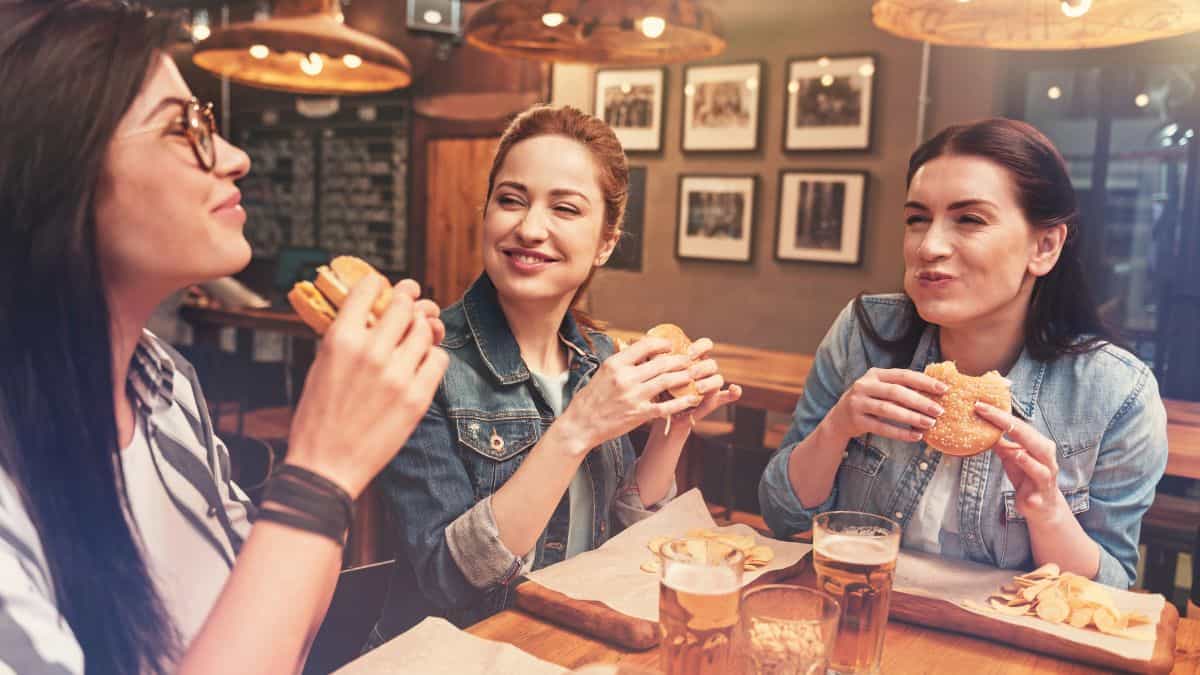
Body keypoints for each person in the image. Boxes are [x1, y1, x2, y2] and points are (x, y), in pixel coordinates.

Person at [0, 2, 447, 672]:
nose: (237, 157)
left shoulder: (164, 386)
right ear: (57, 179)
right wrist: (318, 474)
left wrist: (352, 450)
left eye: (207, 122)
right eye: (182, 129)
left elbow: (277, 626)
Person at [371, 105, 743, 640]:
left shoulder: (598, 355)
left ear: (606, 243)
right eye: (510, 200)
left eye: (564, 209)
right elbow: (448, 577)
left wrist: (673, 425)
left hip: (572, 647)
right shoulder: (419, 359)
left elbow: (622, 537)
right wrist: (578, 427)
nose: (529, 228)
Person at [759, 118, 1168, 589]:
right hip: (859, 609)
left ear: (1045, 246)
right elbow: (780, 515)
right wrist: (836, 429)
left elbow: (1112, 590)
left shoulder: (1116, 393)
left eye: (969, 219)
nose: (929, 246)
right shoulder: (863, 333)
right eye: (917, 219)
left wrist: (1048, 512)